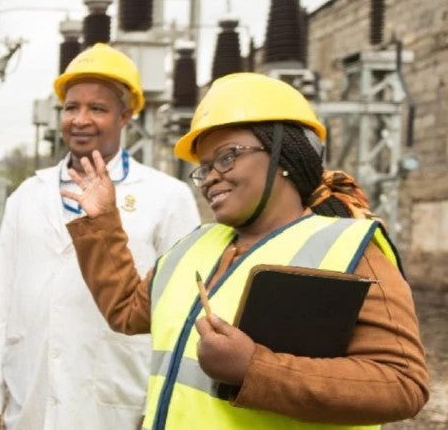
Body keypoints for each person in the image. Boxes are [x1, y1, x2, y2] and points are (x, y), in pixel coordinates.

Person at [63, 73, 429, 429]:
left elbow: (402, 383)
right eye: (203, 168)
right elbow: (126, 310)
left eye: (227, 157)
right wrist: (102, 223)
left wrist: (254, 368)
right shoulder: (194, 246)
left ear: (284, 156)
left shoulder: (349, 250)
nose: (210, 177)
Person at [0, 43, 201, 429]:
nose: (80, 119)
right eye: (71, 107)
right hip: (34, 385)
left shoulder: (167, 197)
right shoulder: (28, 194)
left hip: (120, 384)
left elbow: (181, 307)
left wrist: (165, 400)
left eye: (98, 109)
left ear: (126, 116)